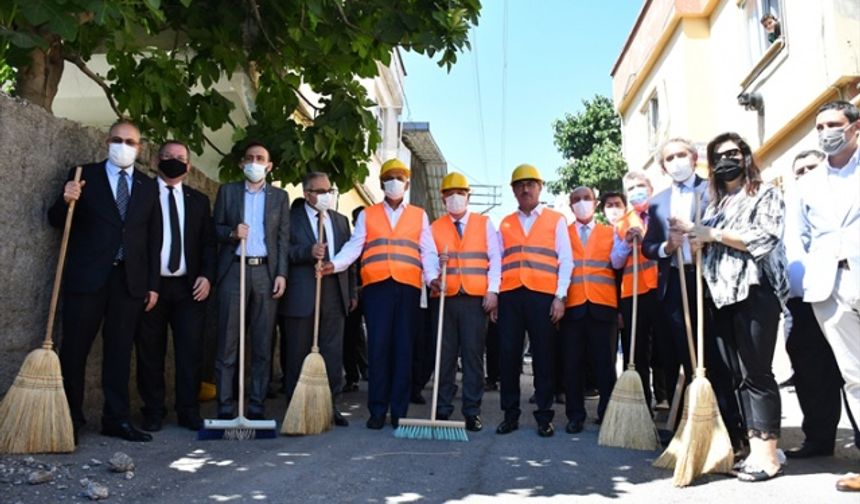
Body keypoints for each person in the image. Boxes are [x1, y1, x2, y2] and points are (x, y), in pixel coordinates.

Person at [676, 132, 788, 481]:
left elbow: (764, 238)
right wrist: (694, 237)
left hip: (754, 292)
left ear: (745, 156)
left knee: (758, 374)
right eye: (718, 155)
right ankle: (752, 450)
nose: (727, 160)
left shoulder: (765, 193)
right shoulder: (714, 205)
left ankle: (769, 455)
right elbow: (707, 243)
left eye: (733, 153)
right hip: (720, 298)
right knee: (737, 376)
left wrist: (712, 235)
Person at [48, 119, 162, 443]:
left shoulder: (147, 186)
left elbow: (154, 239)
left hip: (128, 282)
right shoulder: (84, 175)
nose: (123, 146)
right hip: (88, 278)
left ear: (139, 148)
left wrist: (153, 284)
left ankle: (116, 419)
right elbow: (56, 220)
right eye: (117, 139)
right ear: (107, 141)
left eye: (131, 141)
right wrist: (65, 199)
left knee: (119, 351)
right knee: (74, 351)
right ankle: (70, 418)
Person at [321, 158, 440, 429]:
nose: (394, 181)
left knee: (403, 349)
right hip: (377, 289)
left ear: (407, 183)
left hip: (408, 288)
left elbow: (428, 251)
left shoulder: (419, 215)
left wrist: (432, 278)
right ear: (381, 183)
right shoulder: (368, 214)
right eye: (389, 177)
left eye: (399, 177)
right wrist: (335, 264)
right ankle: (377, 410)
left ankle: (398, 411)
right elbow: (355, 246)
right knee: (378, 349)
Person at [642, 138, 743, 445]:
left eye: (681, 155)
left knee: (718, 358)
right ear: (663, 166)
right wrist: (668, 246)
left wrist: (705, 240)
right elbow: (649, 246)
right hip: (675, 283)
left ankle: (733, 432)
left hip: (708, 282)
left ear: (695, 157)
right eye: (670, 158)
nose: (676, 161)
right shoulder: (658, 202)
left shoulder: (713, 190)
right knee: (685, 359)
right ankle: (692, 431)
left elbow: (728, 229)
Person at [798, 100, 860, 492]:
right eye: (819, 127)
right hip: (830, 288)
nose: (825, 133)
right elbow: (805, 237)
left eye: (833, 124)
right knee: (855, 377)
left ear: (854, 127)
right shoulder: (808, 181)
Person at [135, 140, 216, 432]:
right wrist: (145, 282)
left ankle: (188, 410)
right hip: (152, 288)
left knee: (189, 352)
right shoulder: (142, 193)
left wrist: (206, 276)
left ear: (189, 165)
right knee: (149, 352)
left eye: (180, 157)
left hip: (189, 288)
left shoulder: (198, 200)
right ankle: (153, 411)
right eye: (167, 156)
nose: (173, 161)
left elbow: (208, 243)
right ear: (157, 160)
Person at [212, 142, 290, 421]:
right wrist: (232, 233)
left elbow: (282, 238)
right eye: (250, 158)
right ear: (242, 163)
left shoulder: (280, 197)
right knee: (227, 340)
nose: (254, 163)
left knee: (262, 340)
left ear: (269, 166)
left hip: (264, 272)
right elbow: (215, 229)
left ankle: (256, 401)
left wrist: (281, 273)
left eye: (260, 158)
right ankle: (224, 403)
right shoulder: (228, 192)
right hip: (234, 269)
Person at [495, 164, 573, 437]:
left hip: (543, 297)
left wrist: (560, 297)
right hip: (511, 296)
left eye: (531, 184)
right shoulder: (504, 223)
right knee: (508, 357)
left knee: (544, 357)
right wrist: (494, 293)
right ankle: (510, 414)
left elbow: (566, 260)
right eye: (520, 185)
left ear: (540, 187)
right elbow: (497, 262)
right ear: (513, 190)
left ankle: (544, 416)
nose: (525, 188)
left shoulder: (556, 219)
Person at [783, 149, 845, 460]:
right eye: (799, 170)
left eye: (812, 167)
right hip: (798, 302)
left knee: (849, 369)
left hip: (839, 295)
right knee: (809, 373)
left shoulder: (837, 201)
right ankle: (818, 439)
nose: (805, 173)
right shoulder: (784, 207)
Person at [279, 172, 354, 427]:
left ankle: (329, 406)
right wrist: (307, 252)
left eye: (328, 191)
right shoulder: (291, 218)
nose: (325, 196)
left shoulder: (341, 221)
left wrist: (351, 292)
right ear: (306, 194)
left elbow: (350, 258)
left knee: (332, 353)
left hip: (333, 294)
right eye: (319, 191)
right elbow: (282, 251)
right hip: (302, 295)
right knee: (297, 352)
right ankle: (296, 407)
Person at [429, 172, 502, 432]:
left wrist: (493, 291)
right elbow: (427, 258)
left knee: (472, 356)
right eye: (450, 194)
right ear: (443, 198)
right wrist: (431, 278)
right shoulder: (434, 227)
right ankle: (442, 408)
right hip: (445, 298)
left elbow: (496, 259)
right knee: (444, 356)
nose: (455, 198)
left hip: (474, 300)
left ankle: (472, 411)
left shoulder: (484, 224)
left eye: (460, 193)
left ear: (468, 196)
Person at [610, 171, 669, 412]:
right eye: (631, 188)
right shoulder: (623, 223)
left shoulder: (664, 212)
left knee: (667, 349)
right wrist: (626, 242)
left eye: (640, 186)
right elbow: (615, 261)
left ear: (651, 187)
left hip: (664, 289)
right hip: (634, 295)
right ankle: (641, 409)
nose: (636, 192)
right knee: (637, 354)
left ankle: (670, 401)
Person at [561, 186, 618, 433]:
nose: (581, 203)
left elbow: (618, 270)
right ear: (570, 205)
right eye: (576, 200)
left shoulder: (611, 232)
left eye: (586, 199)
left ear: (595, 204)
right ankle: (575, 415)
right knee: (572, 365)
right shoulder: (562, 233)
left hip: (604, 306)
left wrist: (621, 310)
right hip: (572, 307)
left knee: (605, 365)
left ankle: (607, 413)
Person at [342, 206, 368, 392]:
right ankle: (352, 377)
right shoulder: (351, 243)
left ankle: (370, 372)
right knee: (350, 336)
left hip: (374, 295)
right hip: (354, 296)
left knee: (375, 337)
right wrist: (353, 291)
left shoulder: (378, 242)